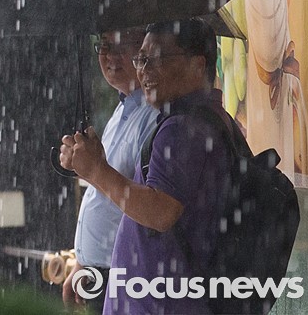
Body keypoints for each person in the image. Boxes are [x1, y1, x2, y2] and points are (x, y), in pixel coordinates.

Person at [60, 18, 232, 314]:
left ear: (197, 65)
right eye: (142, 59)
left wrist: (96, 170)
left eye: (158, 59)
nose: (145, 71)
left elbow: (160, 212)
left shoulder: (182, 127)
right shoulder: (190, 118)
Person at [61, 27, 158, 313]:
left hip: (127, 277)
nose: (110, 56)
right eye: (104, 45)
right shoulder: (123, 108)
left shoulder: (154, 115)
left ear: (145, 50)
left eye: (121, 45)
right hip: (100, 272)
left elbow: (147, 203)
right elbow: (107, 188)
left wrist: (93, 169)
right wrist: (83, 260)